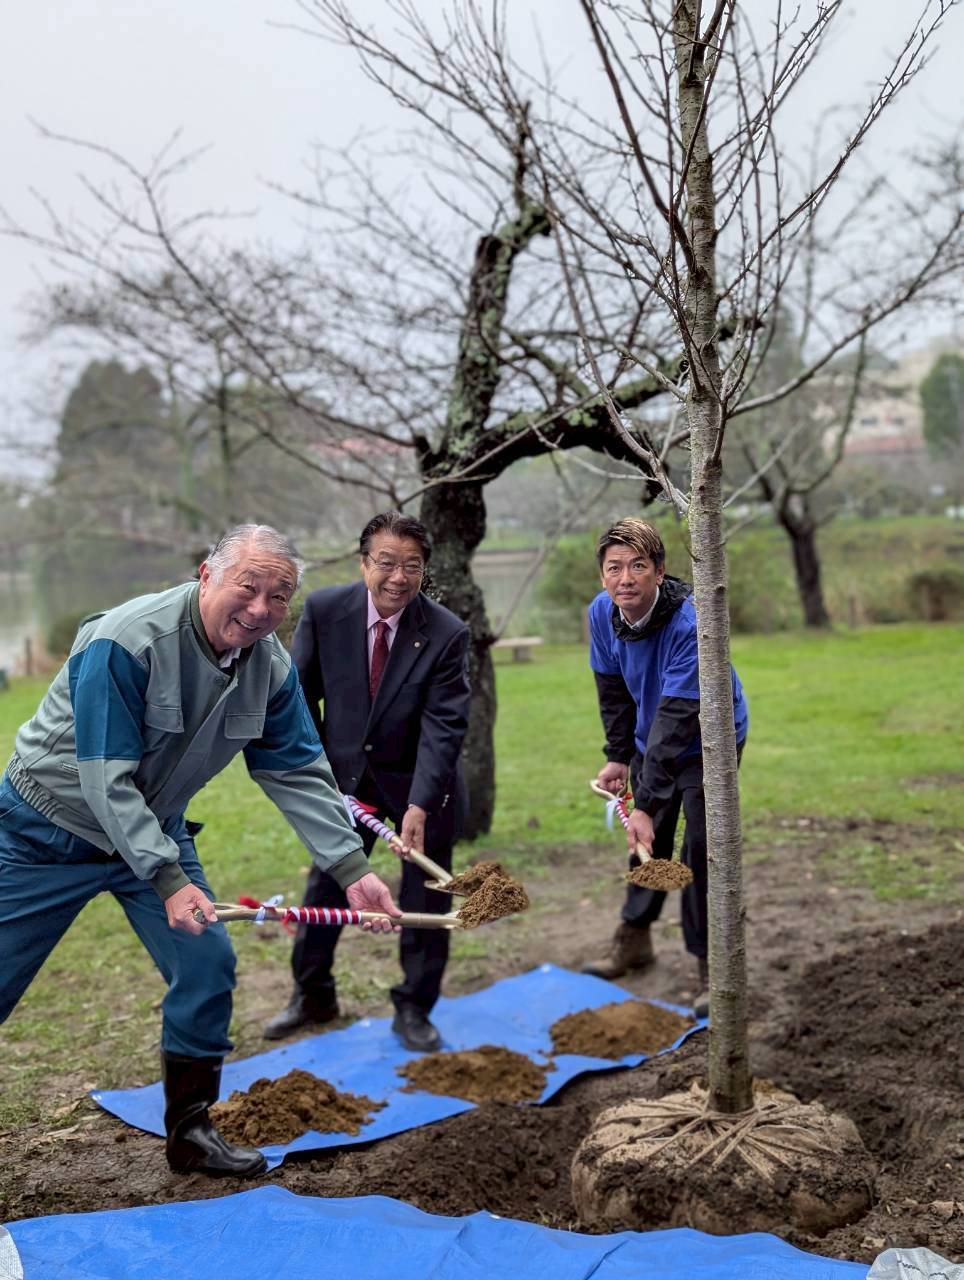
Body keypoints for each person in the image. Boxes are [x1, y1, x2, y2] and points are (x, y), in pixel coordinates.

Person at [0, 525, 400, 1179]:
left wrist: (351, 870)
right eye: (249, 585)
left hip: (155, 826)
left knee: (208, 964)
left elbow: (297, 769)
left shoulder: (267, 666)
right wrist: (166, 877)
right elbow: (106, 779)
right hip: (45, 833)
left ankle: (190, 1135)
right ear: (205, 574)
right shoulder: (125, 642)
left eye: (279, 596)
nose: (261, 608)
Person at [263, 511, 470, 1053]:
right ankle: (313, 995)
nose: (398, 577)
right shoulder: (326, 611)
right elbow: (298, 700)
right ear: (364, 563)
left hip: (423, 785)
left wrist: (421, 802)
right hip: (345, 782)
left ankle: (415, 1008)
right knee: (328, 882)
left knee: (426, 895)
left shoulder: (446, 632)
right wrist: (317, 777)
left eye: (412, 566)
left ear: (424, 571)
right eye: (386, 563)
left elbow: (444, 726)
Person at [582, 517, 748, 1015]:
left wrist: (646, 803)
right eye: (614, 568)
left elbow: (678, 722)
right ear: (602, 576)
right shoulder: (601, 613)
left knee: (700, 848)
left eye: (638, 566)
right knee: (646, 841)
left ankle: (709, 965)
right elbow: (611, 689)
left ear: (659, 571)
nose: (625, 578)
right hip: (650, 733)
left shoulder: (692, 623)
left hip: (707, 740)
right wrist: (617, 755)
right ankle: (634, 939)